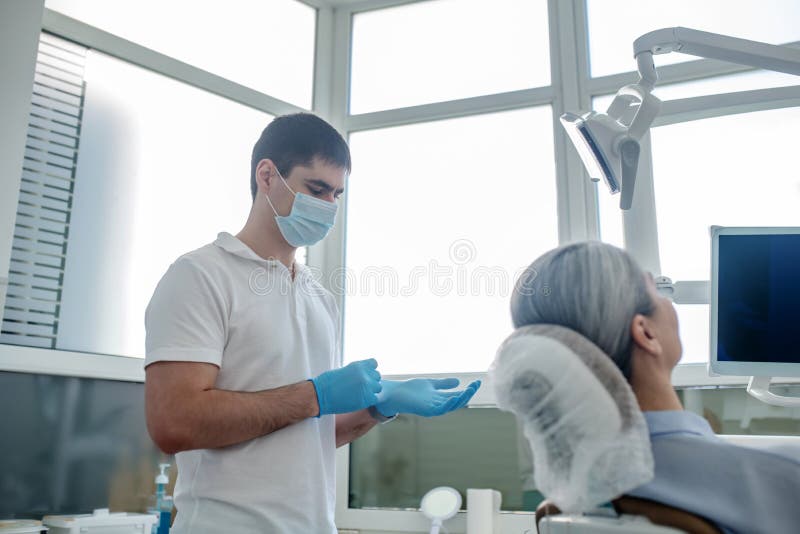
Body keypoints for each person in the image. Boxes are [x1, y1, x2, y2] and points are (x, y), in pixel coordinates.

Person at [144, 113, 480, 534]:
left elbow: (309, 436)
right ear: (267, 175)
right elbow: (174, 422)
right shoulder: (200, 275)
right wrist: (316, 395)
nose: (329, 206)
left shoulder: (320, 297)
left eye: (337, 194)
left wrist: (378, 407)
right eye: (316, 189)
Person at [510, 241, 800, 534]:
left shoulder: (575, 495)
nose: (670, 304)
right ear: (645, 332)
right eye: (658, 291)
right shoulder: (780, 475)